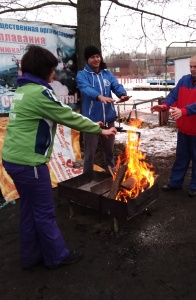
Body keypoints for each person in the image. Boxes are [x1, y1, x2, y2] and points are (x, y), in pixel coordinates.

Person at [1, 45, 117, 270]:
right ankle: (56, 256)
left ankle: (30, 255)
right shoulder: (40, 92)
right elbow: (65, 115)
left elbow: (58, 111)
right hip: (30, 164)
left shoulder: (24, 90)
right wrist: (99, 130)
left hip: (13, 160)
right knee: (44, 211)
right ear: (42, 70)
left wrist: (93, 124)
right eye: (52, 70)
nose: (55, 74)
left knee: (28, 208)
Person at [151, 54, 196, 197]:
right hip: (183, 128)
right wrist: (164, 105)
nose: (193, 69)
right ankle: (175, 182)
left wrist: (184, 111)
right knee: (181, 157)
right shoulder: (184, 80)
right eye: (191, 66)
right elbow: (173, 95)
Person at [76, 45, 131, 174]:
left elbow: (116, 85)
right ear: (87, 59)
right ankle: (87, 177)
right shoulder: (82, 75)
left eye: (97, 56)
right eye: (92, 57)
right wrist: (99, 96)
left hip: (109, 120)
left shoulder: (107, 74)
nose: (96, 59)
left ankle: (111, 177)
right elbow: (85, 88)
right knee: (90, 154)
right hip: (92, 121)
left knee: (109, 153)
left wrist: (122, 95)